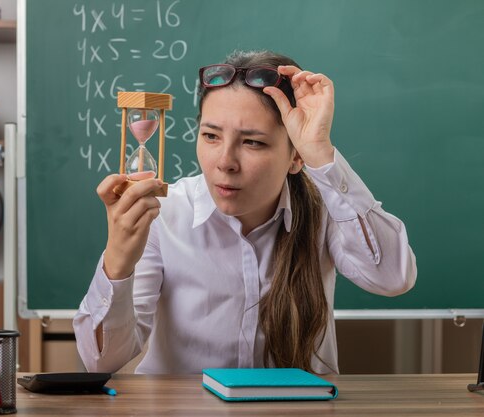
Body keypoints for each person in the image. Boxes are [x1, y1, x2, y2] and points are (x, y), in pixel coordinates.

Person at [73, 50, 417, 375]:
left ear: (295, 156)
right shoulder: (164, 215)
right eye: (210, 136)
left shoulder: (328, 211)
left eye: (252, 142)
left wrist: (322, 156)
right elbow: (101, 362)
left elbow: (393, 278)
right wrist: (117, 261)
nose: (225, 163)